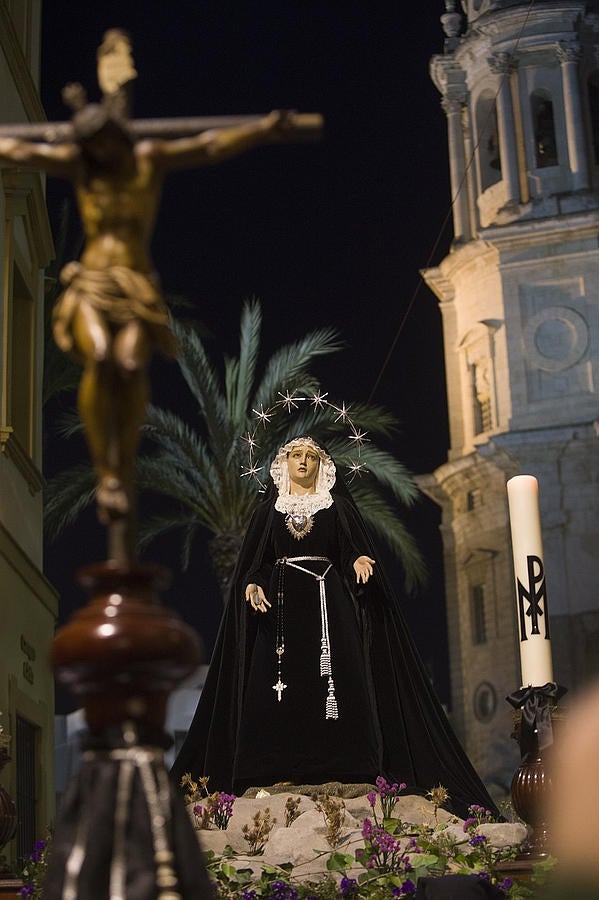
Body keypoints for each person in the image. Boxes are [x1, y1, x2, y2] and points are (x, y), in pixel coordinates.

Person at [0, 29, 311, 554]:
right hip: (93, 285)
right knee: (100, 356)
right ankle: (109, 474)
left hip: (138, 290)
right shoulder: (82, 168)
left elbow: (209, 144)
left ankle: (119, 463)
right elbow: (18, 147)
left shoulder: (147, 161)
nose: (103, 157)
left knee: (127, 362)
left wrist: (262, 128)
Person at [173, 436, 497, 818]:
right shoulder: (268, 513)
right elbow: (258, 560)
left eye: (311, 457)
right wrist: (252, 583)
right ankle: (273, 769)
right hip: (279, 616)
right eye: (297, 456)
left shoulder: (336, 507)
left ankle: (344, 764)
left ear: (323, 466)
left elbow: (348, 549)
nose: (304, 462)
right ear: (284, 464)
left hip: (329, 610)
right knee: (277, 687)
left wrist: (359, 559)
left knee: (337, 684)